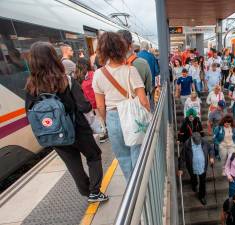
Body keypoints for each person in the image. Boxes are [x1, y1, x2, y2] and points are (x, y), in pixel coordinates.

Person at [25, 41, 108, 202]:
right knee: (94, 156)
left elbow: (29, 111)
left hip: (55, 133)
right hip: (78, 129)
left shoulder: (30, 86)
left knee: (73, 164)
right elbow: (84, 106)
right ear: (53, 58)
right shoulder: (66, 80)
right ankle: (94, 191)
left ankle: (86, 191)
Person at [92, 32, 150, 180]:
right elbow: (143, 100)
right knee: (136, 151)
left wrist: (107, 122)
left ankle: (131, 190)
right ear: (122, 48)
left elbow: (100, 105)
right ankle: (140, 186)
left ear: (102, 50)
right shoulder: (131, 70)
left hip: (113, 117)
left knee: (123, 157)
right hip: (132, 115)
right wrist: (148, 116)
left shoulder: (98, 74)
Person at [178, 132, 214, 205]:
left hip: (203, 166)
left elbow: (211, 149)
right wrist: (180, 168)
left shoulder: (204, 142)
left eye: (199, 142)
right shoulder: (187, 144)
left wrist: (211, 157)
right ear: (192, 139)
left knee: (202, 182)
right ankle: (194, 185)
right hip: (192, 167)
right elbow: (181, 157)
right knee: (193, 178)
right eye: (196, 142)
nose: (198, 143)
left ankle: (202, 196)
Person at [80, 58, 108, 143]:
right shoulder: (95, 74)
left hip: (93, 103)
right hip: (102, 99)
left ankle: (102, 134)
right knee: (104, 116)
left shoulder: (82, 78)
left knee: (99, 117)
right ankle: (106, 130)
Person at [118, 30, 153, 96]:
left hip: (116, 105)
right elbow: (148, 87)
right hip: (137, 102)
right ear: (131, 45)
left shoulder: (110, 67)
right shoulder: (143, 63)